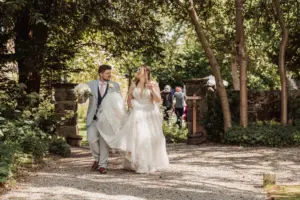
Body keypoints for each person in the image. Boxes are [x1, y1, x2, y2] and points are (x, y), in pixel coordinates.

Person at [111, 65, 169, 174]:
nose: (137, 71)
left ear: (146, 72)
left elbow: (158, 100)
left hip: (149, 113)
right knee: (139, 137)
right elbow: (128, 100)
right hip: (137, 113)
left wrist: (152, 90)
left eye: (140, 70)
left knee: (151, 138)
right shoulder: (134, 84)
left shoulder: (153, 83)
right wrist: (133, 105)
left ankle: (151, 163)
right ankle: (138, 163)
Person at [81, 64, 122, 174]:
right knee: (91, 139)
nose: (110, 75)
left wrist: (119, 116)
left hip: (107, 119)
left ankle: (102, 165)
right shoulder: (90, 84)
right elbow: (82, 101)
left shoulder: (115, 85)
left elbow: (119, 102)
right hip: (93, 117)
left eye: (110, 73)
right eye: (107, 73)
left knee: (104, 143)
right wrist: (80, 95)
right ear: (101, 73)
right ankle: (98, 159)